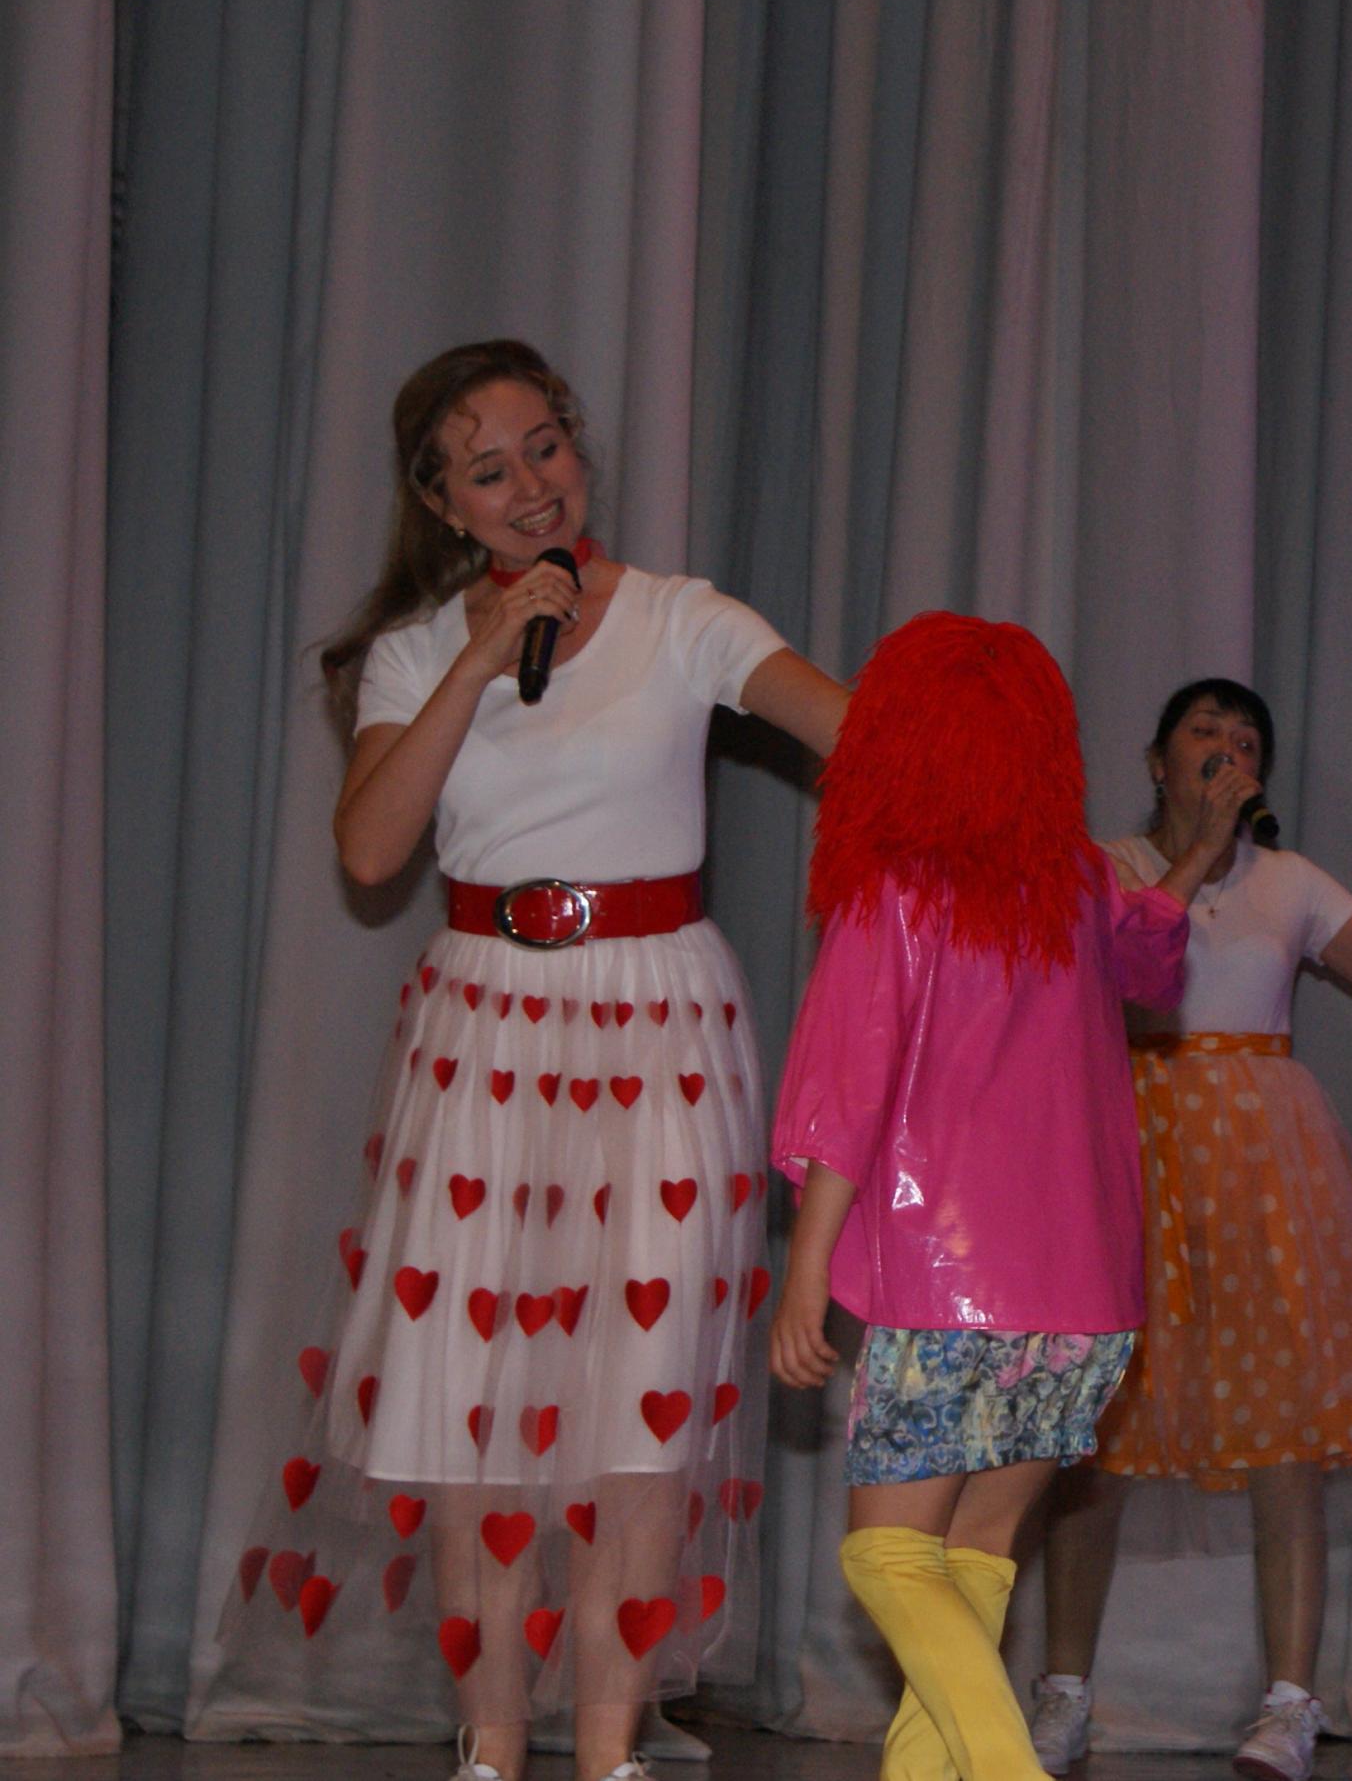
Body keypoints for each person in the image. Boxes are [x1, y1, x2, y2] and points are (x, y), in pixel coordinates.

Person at [204, 341, 849, 1781]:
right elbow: (372, 849)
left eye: (544, 446)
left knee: (641, 1400)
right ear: (443, 505)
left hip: (659, 1017)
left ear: (578, 446)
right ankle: (489, 1750)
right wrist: (482, 657)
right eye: (488, 471)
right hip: (485, 1025)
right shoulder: (418, 651)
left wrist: (980, 753)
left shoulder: (681, 617)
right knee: (465, 1401)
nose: (531, 486)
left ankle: (609, 1752)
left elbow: (852, 730)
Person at [767, 613, 1243, 1781]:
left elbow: (845, 1089)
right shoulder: (1075, 883)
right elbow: (1152, 962)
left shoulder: (896, 887)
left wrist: (805, 1267)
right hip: (1083, 1292)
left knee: (888, 1559)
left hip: (945, 1292)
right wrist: (1191, 859)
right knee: (974, 1562)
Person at [1035, 679, 1352, 1781]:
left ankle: (1289, 1706)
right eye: (1204, 733)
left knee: (1284, 1435)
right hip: (1131, 1152)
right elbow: (1107, 987)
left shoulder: (1291, 881)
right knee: (1093, 1443)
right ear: (1156, 760)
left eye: (1245, 739)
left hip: (1264, 1169)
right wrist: (1197, 855)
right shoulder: (1102, 868)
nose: (1225, 750)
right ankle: (1063, 1695)